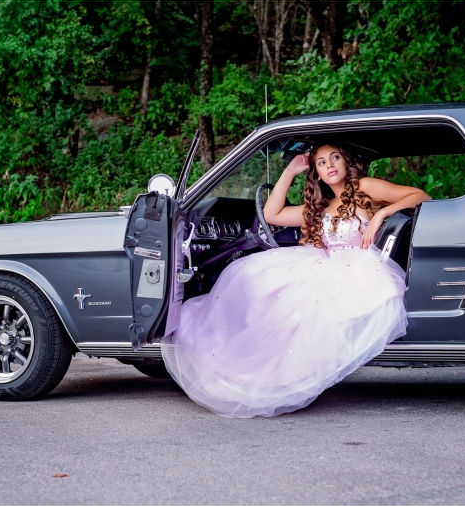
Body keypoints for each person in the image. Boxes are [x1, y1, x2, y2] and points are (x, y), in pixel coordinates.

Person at [161, 143, 431, 418]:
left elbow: (420, 195)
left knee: (306, 305)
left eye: (335, 158)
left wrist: (382, 214)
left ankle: (280, 373)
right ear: (317, 173)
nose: (330, 165)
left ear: (345, 162)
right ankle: (250, 368)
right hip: (324, 263)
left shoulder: (365, 187)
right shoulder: (320, 206)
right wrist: (290, 170)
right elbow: (271, 215)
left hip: (358, 268)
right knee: (251, 276)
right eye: (322, 163)